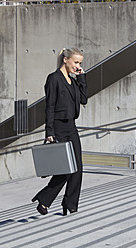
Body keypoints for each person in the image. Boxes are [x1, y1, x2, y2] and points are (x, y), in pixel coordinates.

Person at [32, 47, 88, 216]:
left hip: (71, 127)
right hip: (58, 128)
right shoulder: (54, 79)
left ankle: (71, 204)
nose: (77, 65)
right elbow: (49, 107)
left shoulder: (73, 80)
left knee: (77, 168)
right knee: (65, 168)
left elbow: (84, 99)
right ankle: (44, 199)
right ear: (66, 60)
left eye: (80, 63)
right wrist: (49, 131)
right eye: (76, 62)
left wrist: (81, 77)